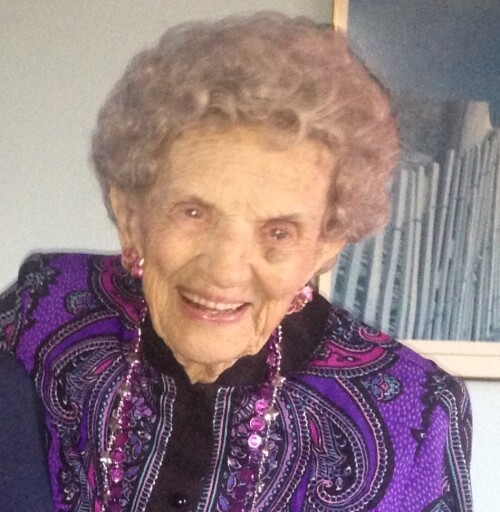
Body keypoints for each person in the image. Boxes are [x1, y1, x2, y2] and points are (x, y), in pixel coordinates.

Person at [0, 11, 472, 512]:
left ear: (327, 245)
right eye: (194, 213)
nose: (224, 270)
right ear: (131, 212)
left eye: (278, 232)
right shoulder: (44, 307)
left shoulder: (417, 413)